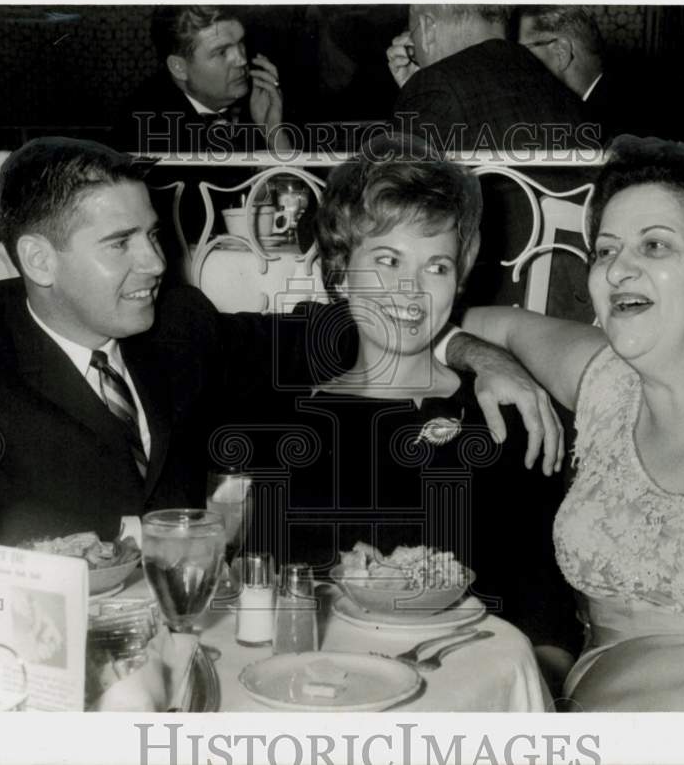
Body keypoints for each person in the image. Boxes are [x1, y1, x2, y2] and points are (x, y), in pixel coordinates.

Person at [0, 137, 564, 547]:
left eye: (153, 235)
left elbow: (351, 328)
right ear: (40, 261)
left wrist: (474, 353)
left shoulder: (179, 326)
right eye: (121, 244)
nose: (157, 262)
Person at [462, 136, 684, 711]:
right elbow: (450, 316)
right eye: (604, 251)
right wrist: (481, 358)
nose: (619, 269)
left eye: (655, 246)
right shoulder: (605, 384)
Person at [217, 134, 583, 664]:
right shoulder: (282, 420)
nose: (411, 290)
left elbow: (544, 618)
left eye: (436, 266)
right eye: (388, 259)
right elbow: (257, 597)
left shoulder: (503, 419)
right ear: (342, 271)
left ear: (458, 279)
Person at [385, 4, 594, 153]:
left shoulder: (432, 87)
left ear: (428, 27)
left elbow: (389, 199)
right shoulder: (561, 91)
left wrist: (417, 90)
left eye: (413, 33)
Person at [111, 5, 289, 155]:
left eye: (241, 42)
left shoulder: (265, 96)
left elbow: (299, 193)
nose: (242, 59)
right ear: (179, 67)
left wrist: (274, 133)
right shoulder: (144, 127)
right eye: (222, 52)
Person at [518, 6, 657, 142]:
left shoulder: (618, 130)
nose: (515, 62)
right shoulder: (615, 102)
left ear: (561, 52)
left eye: (522, 51)